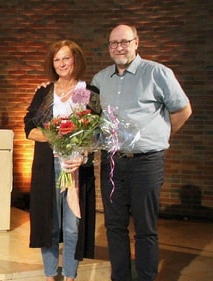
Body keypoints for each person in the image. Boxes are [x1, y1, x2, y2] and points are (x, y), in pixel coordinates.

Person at [91, 24, 192, 281]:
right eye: (114, 43)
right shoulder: (100, 78)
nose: (119, 47)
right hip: (112, 161)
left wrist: (159, 136)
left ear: (136, 42)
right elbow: (86, 115)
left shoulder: (158, 73)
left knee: (145, 228)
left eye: (124, 41)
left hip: (147, 162)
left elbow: (183, 110)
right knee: (114, 226)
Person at [24, 40, 98, 281]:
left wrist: (83, 153)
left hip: (76, 167)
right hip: (49, 167)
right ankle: (48, 274)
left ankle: (69, 275)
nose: (62, 64)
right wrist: (54, 136)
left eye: (66, 58)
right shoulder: (45, 91)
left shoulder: (88, 91)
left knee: (72, 225)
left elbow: (96, 132)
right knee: (50, 222)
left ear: (76, 60)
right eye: (57, 59)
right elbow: (29, 128)